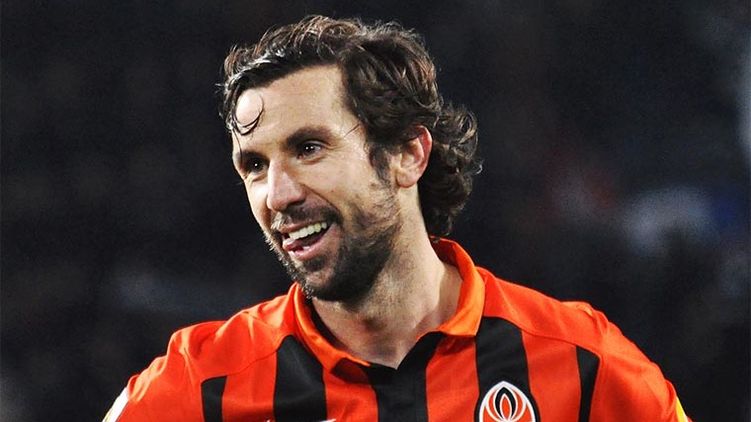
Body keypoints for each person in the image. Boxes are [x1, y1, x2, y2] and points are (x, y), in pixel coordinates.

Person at [104, 15, 692, 422]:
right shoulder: (199, 385)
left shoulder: (581, 363)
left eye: (309, 148)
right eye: (254, 166)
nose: (277, 194)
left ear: (408, 153)